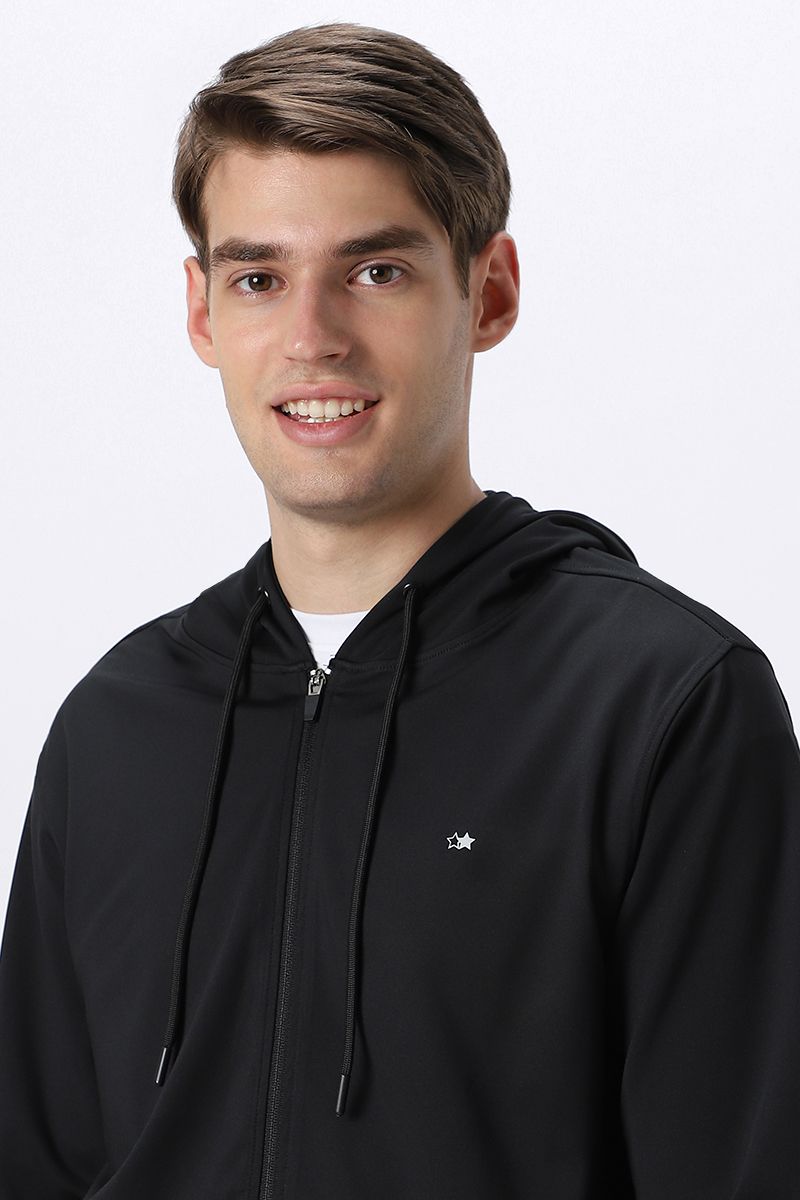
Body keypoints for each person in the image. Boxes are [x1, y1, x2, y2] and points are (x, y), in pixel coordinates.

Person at [1, 20, 798, 1199]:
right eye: (259, 278)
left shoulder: (659, 706)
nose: (312, 338)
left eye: (375, 271)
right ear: (203, 312)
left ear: (489, 291)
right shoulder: (115, 726)